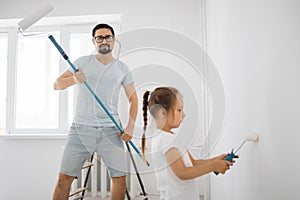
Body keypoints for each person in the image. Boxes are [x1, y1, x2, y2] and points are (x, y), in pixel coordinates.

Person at [52, 23, 138, 200]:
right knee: (63, 179)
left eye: (108, 37)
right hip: (80, 130)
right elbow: (57, 84)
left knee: (120, 180)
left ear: (114, 41)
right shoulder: (82, 62)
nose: (104, 40)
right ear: (94, 41)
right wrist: (75, 79)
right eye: (100, 37)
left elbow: (134, 99)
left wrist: (130, 127)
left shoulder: (122, 68)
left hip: (111, 131)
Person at [142, 87, 235, 200]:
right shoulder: (164, 140)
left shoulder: (169, 137)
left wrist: (216, 160)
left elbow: (193, 163)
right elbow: (183, 172)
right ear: (162, 113)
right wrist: (213, 166)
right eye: (179, 110)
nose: (184, 115)